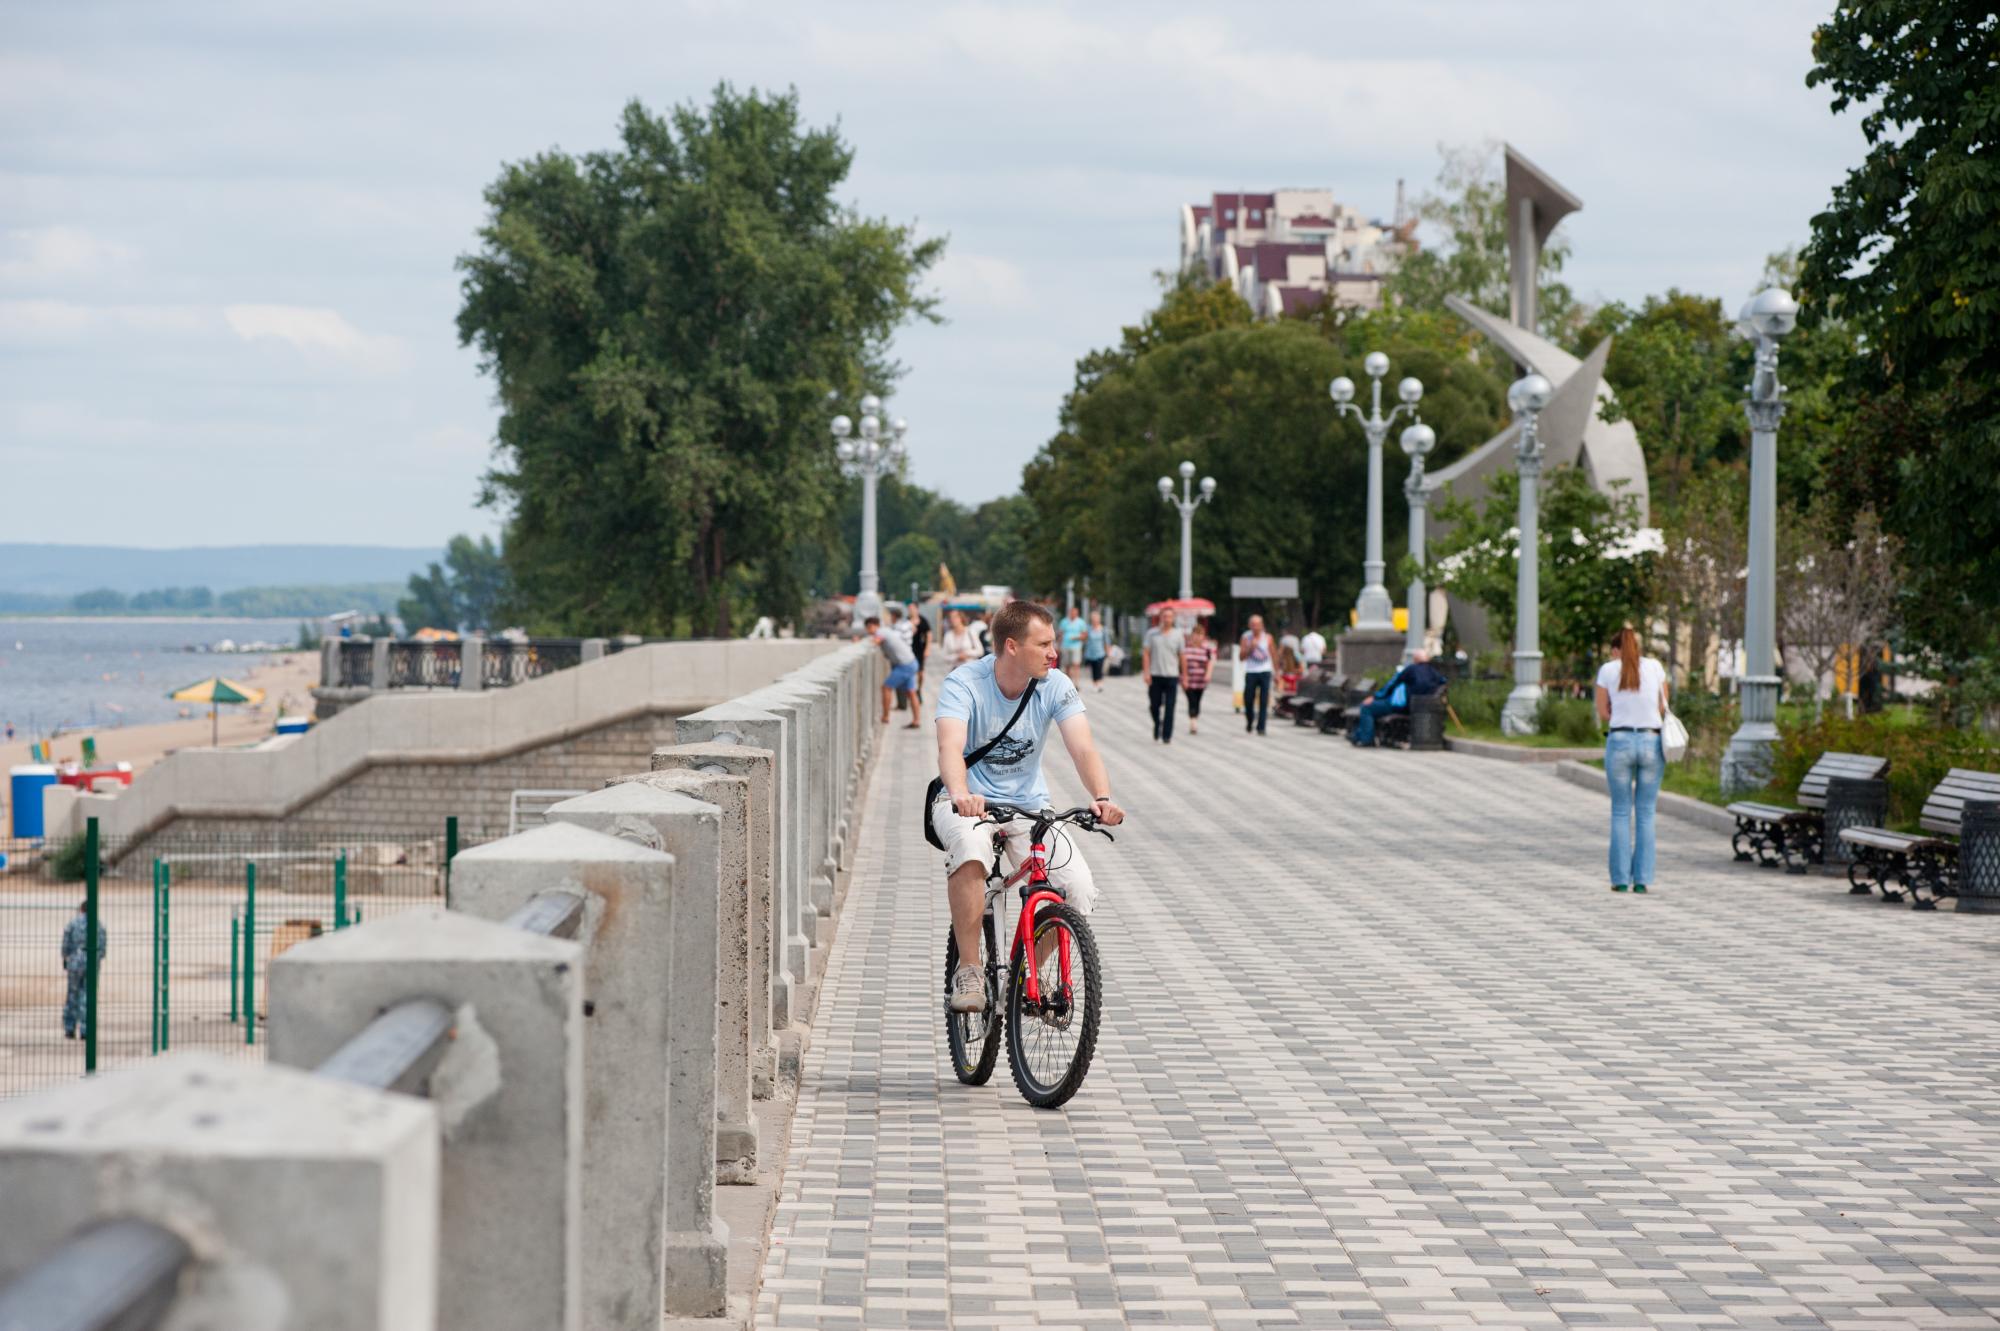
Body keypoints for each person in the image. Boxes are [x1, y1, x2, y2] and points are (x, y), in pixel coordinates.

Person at [933, 601, 1124, 1013]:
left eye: (1053, 643)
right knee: (969, 852)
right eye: (1044, 644)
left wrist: (1102, 796)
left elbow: (1083, 747)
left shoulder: (1055, 684)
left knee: (1077, 888)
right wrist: (962, 792)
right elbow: (949, 745)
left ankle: (1023, 976)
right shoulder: (964, 682)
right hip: (965, 802)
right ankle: (968, 969)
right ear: (1012, 646)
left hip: (1029, 806)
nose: (1054, 653)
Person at [1595, 625, 1668, 894]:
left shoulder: (1608, 670)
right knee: (1646, 812)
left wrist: (1620, 710)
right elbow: (1662, 707)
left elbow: (1603, 712)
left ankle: (1620, 880)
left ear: (1616, 649)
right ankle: (1642, 880)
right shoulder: (1655, 667)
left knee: (1620, 811)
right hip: (1651, 741)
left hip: (1620, 741)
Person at [1349, 650, 1449, 746]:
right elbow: (1444, 682)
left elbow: (1392, 684)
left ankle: (1365, 738)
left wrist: (1375, 697)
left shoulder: (1411, 669)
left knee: (1367, 707)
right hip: (1422, 709)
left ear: (1415, 660)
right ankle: (1359, 735)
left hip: (1402, 707)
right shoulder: (1434, 672)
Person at [866, 614, 921, 728]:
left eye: (868, 628)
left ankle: (885, 717)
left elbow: (876, 641)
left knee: (886, 687)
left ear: (873, 626)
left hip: (904, 665)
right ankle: (916, 721)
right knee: (911, 692)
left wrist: (864, 643)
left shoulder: (880, 632)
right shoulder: (886, 630)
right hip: (911, 661)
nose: (868, 631)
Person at [60, 900, 105, 1039]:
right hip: (91, 963)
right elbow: (102, 949)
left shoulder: (72, 923)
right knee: (88, 995)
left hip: (74, 963)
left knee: (72, 994)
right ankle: (86, 1029)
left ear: (81, 909)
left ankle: (69, 1027)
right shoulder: (98, 925)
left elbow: (65, 944)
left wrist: (66, 957)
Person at [1141, 610, 1185, 743]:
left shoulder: (1178, 635)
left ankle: (1167, 735)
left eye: (1170, 616)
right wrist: (1146, 672)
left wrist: (1184, 675)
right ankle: (1157, 723)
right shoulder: (1152, 634)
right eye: (1165, 616)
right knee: (1154, 705)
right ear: (1160, 618)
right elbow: (1146, 654)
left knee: (1170, 706)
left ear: (1173, 618)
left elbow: (1182, 655)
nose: (1167, 619)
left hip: (1172, 675)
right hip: (1155, 675)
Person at [1238, 614, 1276, 735]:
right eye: (1253, 625)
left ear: (1262, 625)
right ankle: (1250, 720)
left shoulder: (1268, 637)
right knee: (1248, 699)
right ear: (1250, 626)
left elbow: (1274, 655)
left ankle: (1261, 727)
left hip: (1265, 671)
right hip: (1251, 671)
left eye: (1258, 624)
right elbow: (1241, 657)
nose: (1256, 627)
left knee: (1264, 700)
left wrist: (1278, 673)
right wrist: (1250, 647)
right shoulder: (1246, 637)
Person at [1179, 619, 1219, 734]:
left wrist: (1208, 674)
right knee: (1191, 700)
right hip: (1188, 679)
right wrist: (1183, 677)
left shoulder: (1207, 648)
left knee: (1197, 700)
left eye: (1200, 635)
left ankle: (1195, 717)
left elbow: (1211, 661)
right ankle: (1193, 722)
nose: (1197, 637)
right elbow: (1181, 663)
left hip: (1201, 679)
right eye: (1196, 634)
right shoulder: (1186, 648)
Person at [1058, 605, 1087, 683]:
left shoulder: (1081, 622)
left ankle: (1076, 682)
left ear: (1077, 613)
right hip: (1065, 645)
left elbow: (1084, 635)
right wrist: (1059, 646)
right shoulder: (1064, 621)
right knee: (1067, 665)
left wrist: (1077, 638)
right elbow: (1060, 634)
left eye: (1075, 613)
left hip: (1076, 646)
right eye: (1072, 612)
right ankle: (1069, 681)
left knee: (1076, 664)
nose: (1073, 614)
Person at [909, 607, 932, 702]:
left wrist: (927, 648)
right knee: (911, 672)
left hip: (920, 649)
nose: (911, 610)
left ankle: (919, 689)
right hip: (909, 649)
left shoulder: (923, 620)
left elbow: (929, 634)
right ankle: (912, 691)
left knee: (921, 673)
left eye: (912, 608)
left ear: (917, 609)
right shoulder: (907, 620)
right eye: (910, 609)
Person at [1082, 610, 1108, 691]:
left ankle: (1099, 683)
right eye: (1093, 619)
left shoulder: (1103, 629)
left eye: (1096, 619)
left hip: (1100, 652)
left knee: (1099, 668)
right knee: (1093, 669)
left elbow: (1106, 641)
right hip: (1091, 652)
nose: (1095, 621)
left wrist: (1108, 651)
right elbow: (1084, 638)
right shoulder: (1088, 628)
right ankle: (1095, 684)